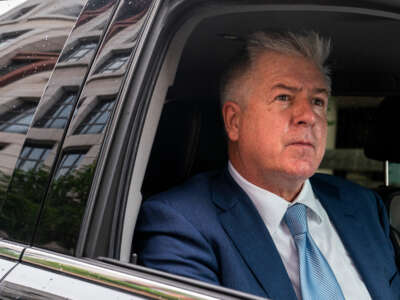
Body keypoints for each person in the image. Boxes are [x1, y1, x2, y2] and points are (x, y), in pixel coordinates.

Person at [134, 31, 400, 300]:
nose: (308, 116)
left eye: (318, 101)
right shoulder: (180, 222)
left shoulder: (364, 205)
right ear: (234, 122)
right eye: (284, 97)